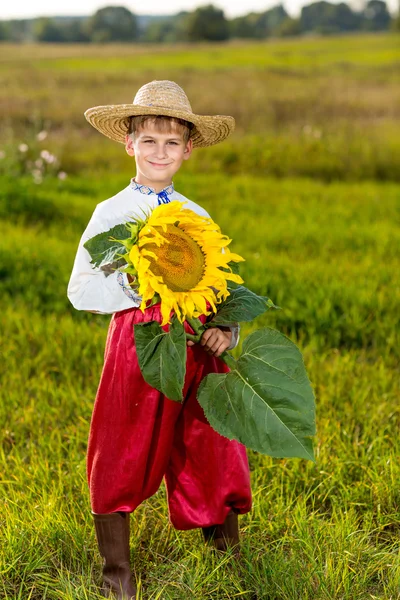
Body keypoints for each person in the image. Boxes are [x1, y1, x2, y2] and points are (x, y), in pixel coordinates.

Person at [68, 80, 252, 600]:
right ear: (128, 144)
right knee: (124, 440)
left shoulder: (196, 214)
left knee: (211, 438)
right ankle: (117, 571)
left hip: (195, 343)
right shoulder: (112, 213)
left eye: (172, 143)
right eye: (149, 140)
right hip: (140, 340)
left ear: (188, 149)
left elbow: (220, 285)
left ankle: (226, 550)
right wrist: (139, 284)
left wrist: (224, 327)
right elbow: (81, 289)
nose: (160, 152)